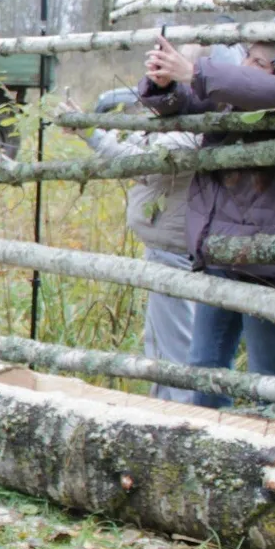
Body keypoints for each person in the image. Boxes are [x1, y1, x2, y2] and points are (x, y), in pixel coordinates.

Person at [139, 35, 275, 408]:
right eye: (248, 58)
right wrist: (167, 85)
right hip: (221, 254)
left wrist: (196, 70)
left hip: (272, 265)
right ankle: (207, 455)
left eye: (258, 62)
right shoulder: (235, 100)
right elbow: (188, 103)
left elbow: (261, 90)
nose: (246, 68)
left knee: (270, 374)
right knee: (205, 369)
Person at [61, 78, 202, 401]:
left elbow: (142, 161)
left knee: (175, 347)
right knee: (162, 342)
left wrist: (91, 134)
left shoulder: (188, 134)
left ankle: (179, 414)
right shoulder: (176, 127)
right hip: (166, 246)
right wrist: (90, 129)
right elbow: (136, 145)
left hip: (174, 250)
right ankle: (166, 407)